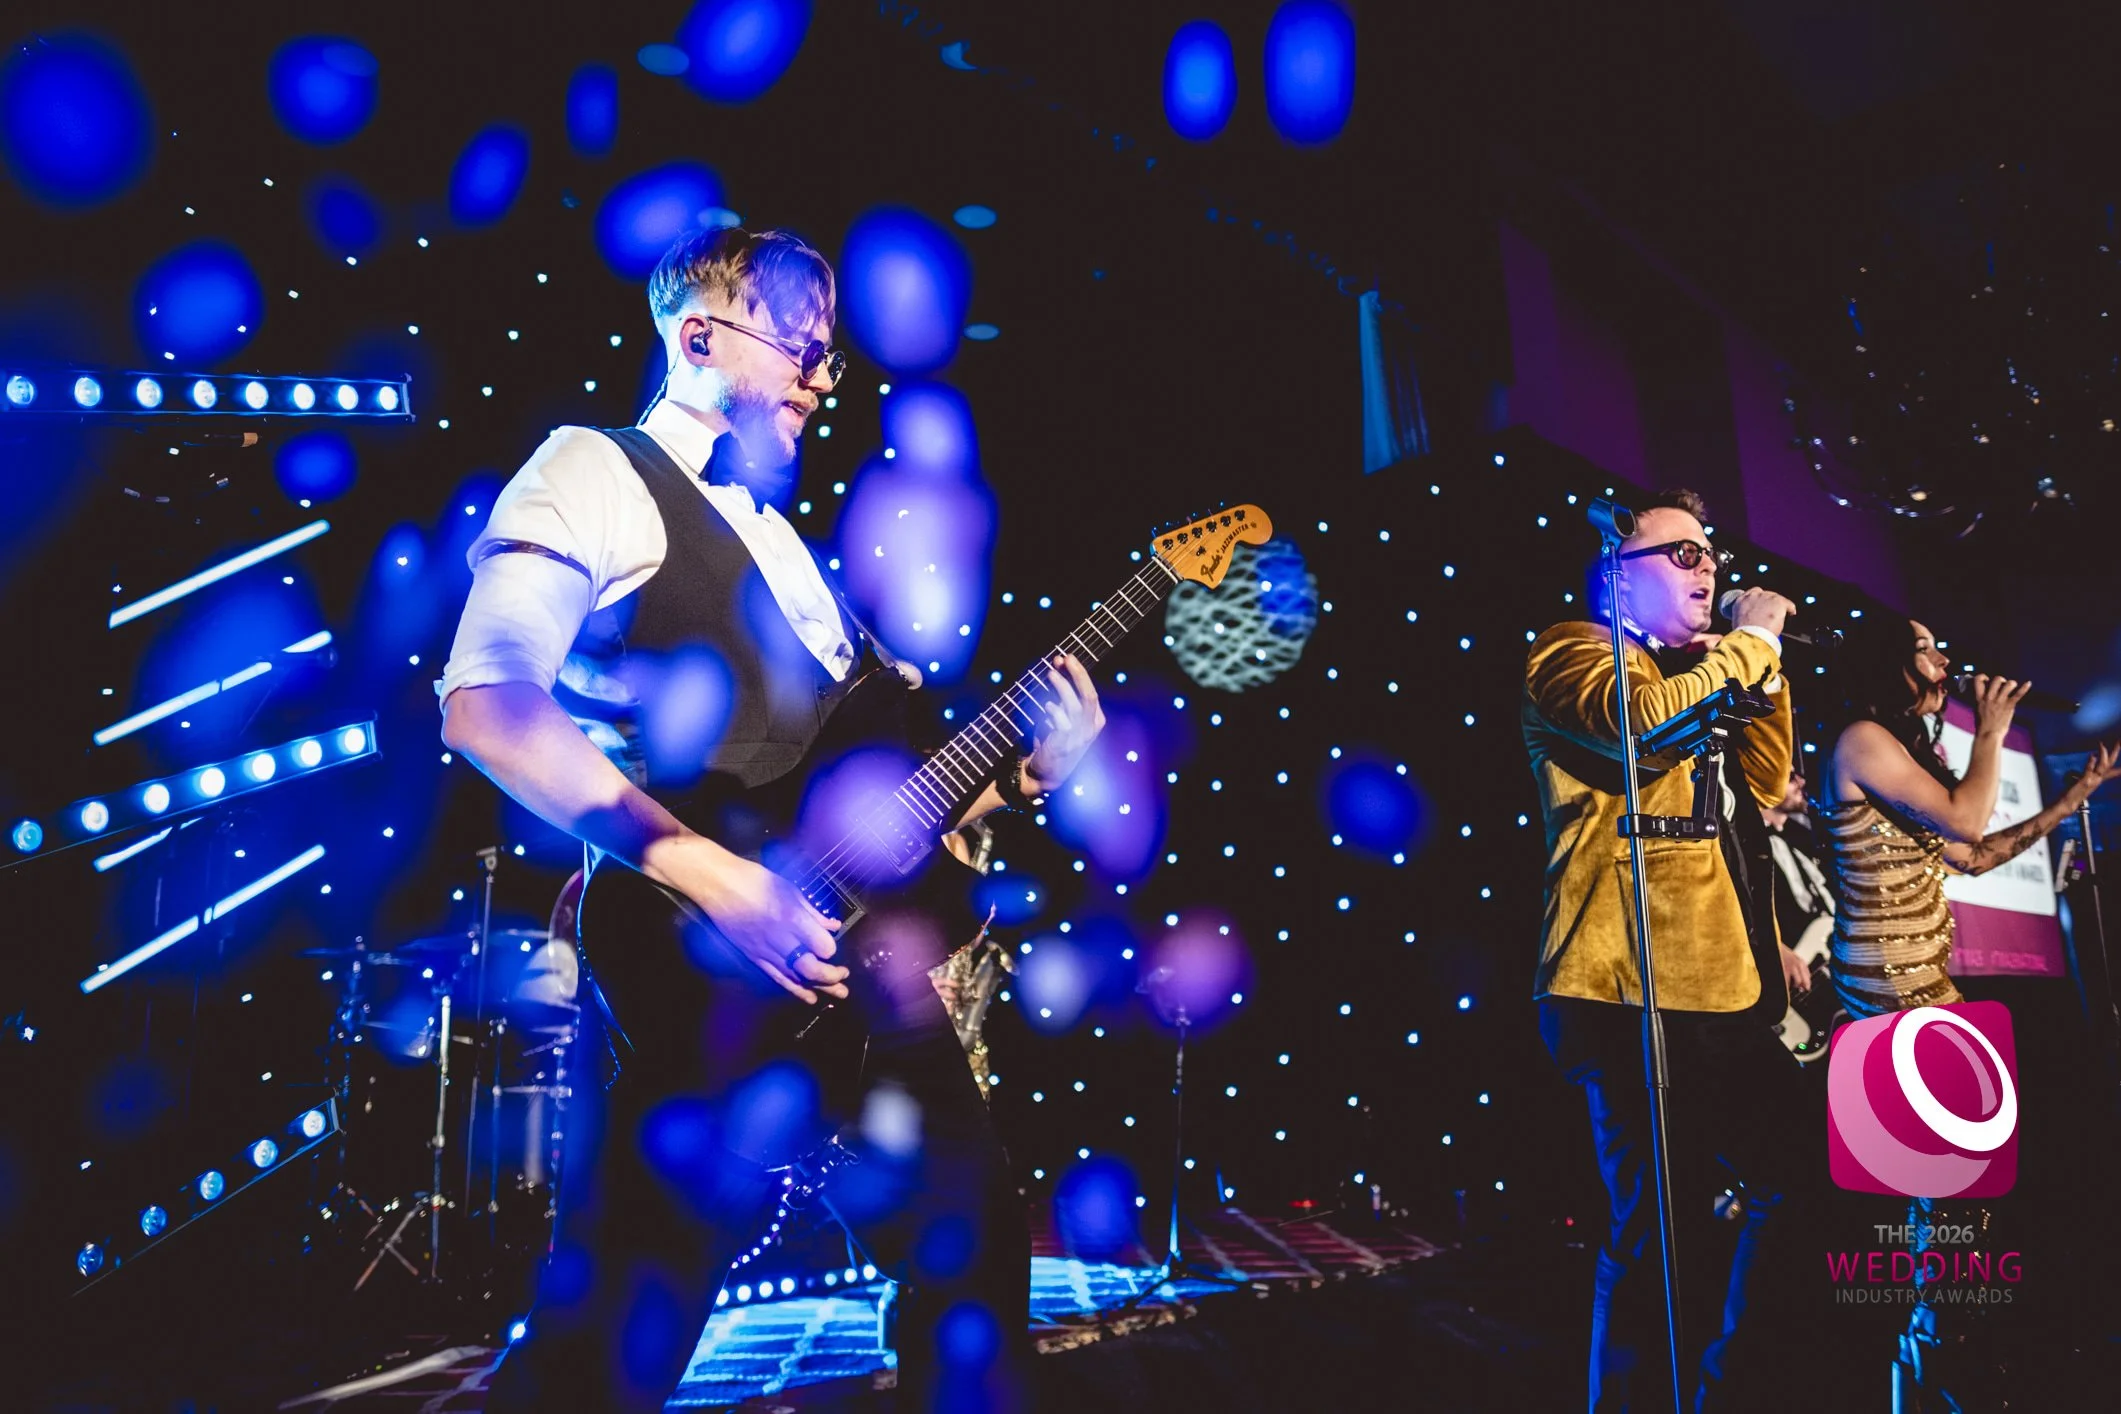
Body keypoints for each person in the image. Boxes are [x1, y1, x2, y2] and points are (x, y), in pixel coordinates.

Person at [438, 226, 1103, 1412]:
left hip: (858, 986)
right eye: (800, 346)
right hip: (693, 974)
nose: (821, 378)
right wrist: (712, 873)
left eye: (830, 355)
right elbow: (487, 705)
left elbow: (880, 806)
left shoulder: (792, 549)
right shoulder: (595, 468)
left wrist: (1027, 779)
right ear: (698, 337)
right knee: (613, 1345)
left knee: (977, 1256)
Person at [1523, 488, 1816, 1411]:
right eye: (1681, 554)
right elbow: (1637, 726)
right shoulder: (1570, 651)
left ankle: (1725, 1389)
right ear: (1617, 578)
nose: (1709, 567)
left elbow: (1763, 780)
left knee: (1799, 1175)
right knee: (1658, 1229)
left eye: (1710, 552)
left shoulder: (1705, 672)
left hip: (1722, 992)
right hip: (1622, 985)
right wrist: (1751, 641)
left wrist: (1759, 665)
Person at [1814, 615, 2117, 1019]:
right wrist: (1991, 731)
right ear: (1886, 662)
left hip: (1911, 965)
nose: (1944, 661)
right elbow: (1967, 822)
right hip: (1889, 968)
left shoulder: (1890, 745)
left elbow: (1973, 857)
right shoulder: (1863, 738)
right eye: (1923, 650)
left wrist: (2067, 803)